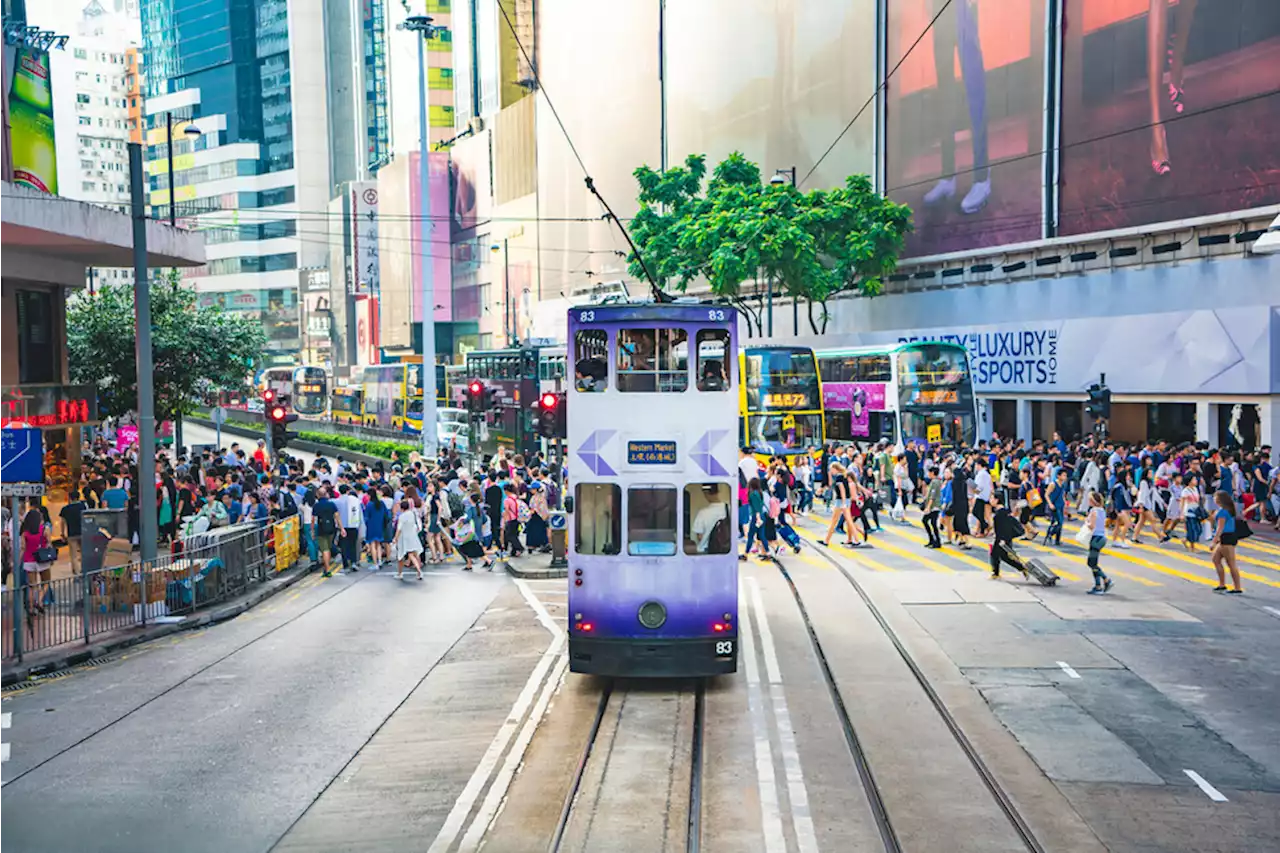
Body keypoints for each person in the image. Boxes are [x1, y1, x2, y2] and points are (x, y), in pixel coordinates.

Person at [988, 495, 1029, 581]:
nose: (990, 500)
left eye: (992, 498)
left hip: (1002, 538)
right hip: (1005, 537)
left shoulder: (1000, 514)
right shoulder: (1004, 511)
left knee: (997, 555)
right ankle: (1021, 568)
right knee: (1002, 556)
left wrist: (1001, 539)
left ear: (997, 500)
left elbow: (1002, 528)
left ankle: (996, 573)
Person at [1210, 490, 1243, 594]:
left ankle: (1237, 587)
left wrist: (1214, 541)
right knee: (1216, 559)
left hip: (1226, 538)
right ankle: (1222, 584)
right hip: (1228, 537)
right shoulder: (1228, 509)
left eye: (1215, 497)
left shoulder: (1223, 512)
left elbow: (1220, 528)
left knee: (1231, 563)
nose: (1214, 499)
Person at [1083, 492, 1113, 595]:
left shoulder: (1094, 511)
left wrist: (1086, 522)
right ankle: (1098, 585)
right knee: (1093, 563)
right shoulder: (1102, 510)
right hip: (1102, 538)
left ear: (1093, 501)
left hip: (1096, 539)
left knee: (1091, 563)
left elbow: (1092, 526)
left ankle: (1105, 580)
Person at [690, 484, 731, 554]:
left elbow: (699, 537)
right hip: (725, 551)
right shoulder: (729, 508)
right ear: (718, 492)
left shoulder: (702, 513)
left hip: (706, 551)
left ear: (706, 493)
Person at [312, 487, 342, 577]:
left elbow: (313, 520)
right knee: (328, 548)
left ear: (318, 495)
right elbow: (337, 516)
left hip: (321, 529)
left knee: (324, 550)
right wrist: (342, 528)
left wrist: (312, 531)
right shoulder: (331, 504)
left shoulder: (316, 506)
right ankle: (327, 567)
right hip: (332, 529)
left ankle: (327, 569)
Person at [392, 498, 424, 580]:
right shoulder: (412, 513)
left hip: (404, 537)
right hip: (413, 535)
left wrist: (395, 538)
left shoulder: (402, 517)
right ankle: (418, 572)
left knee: (403, 556)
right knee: (416, 554)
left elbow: (399, 529)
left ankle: (401, 573)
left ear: (402, 508)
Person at [59, 489, 86, 574]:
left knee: (73, 555)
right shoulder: (83, 506)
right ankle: (84, 570)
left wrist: (62, 533)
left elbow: (62, 522)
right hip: (83, 532)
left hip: (71, 533)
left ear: (70, 498)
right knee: (83, 552)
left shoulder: (65, 509)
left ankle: (77, 572)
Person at [363, 485, 389, 567]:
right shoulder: (381, 503)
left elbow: (366, 517)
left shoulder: (369, 504)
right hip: (380, 526)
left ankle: (375, 563)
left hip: (371, 526)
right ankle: (380, 560)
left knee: (372, 545)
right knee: (378, 544)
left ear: (370, 495)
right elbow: (386, 515)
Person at [920, 468, 944, 549]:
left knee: (928, 521)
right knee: (931, 523)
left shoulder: (935, 482)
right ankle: (934, 540)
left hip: (934, 507)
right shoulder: (937, 481)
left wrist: (928, 507)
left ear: (933, 473)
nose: (928, 474)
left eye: (929, 472)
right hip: (934, 506)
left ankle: (935, 540)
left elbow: (932, 496)